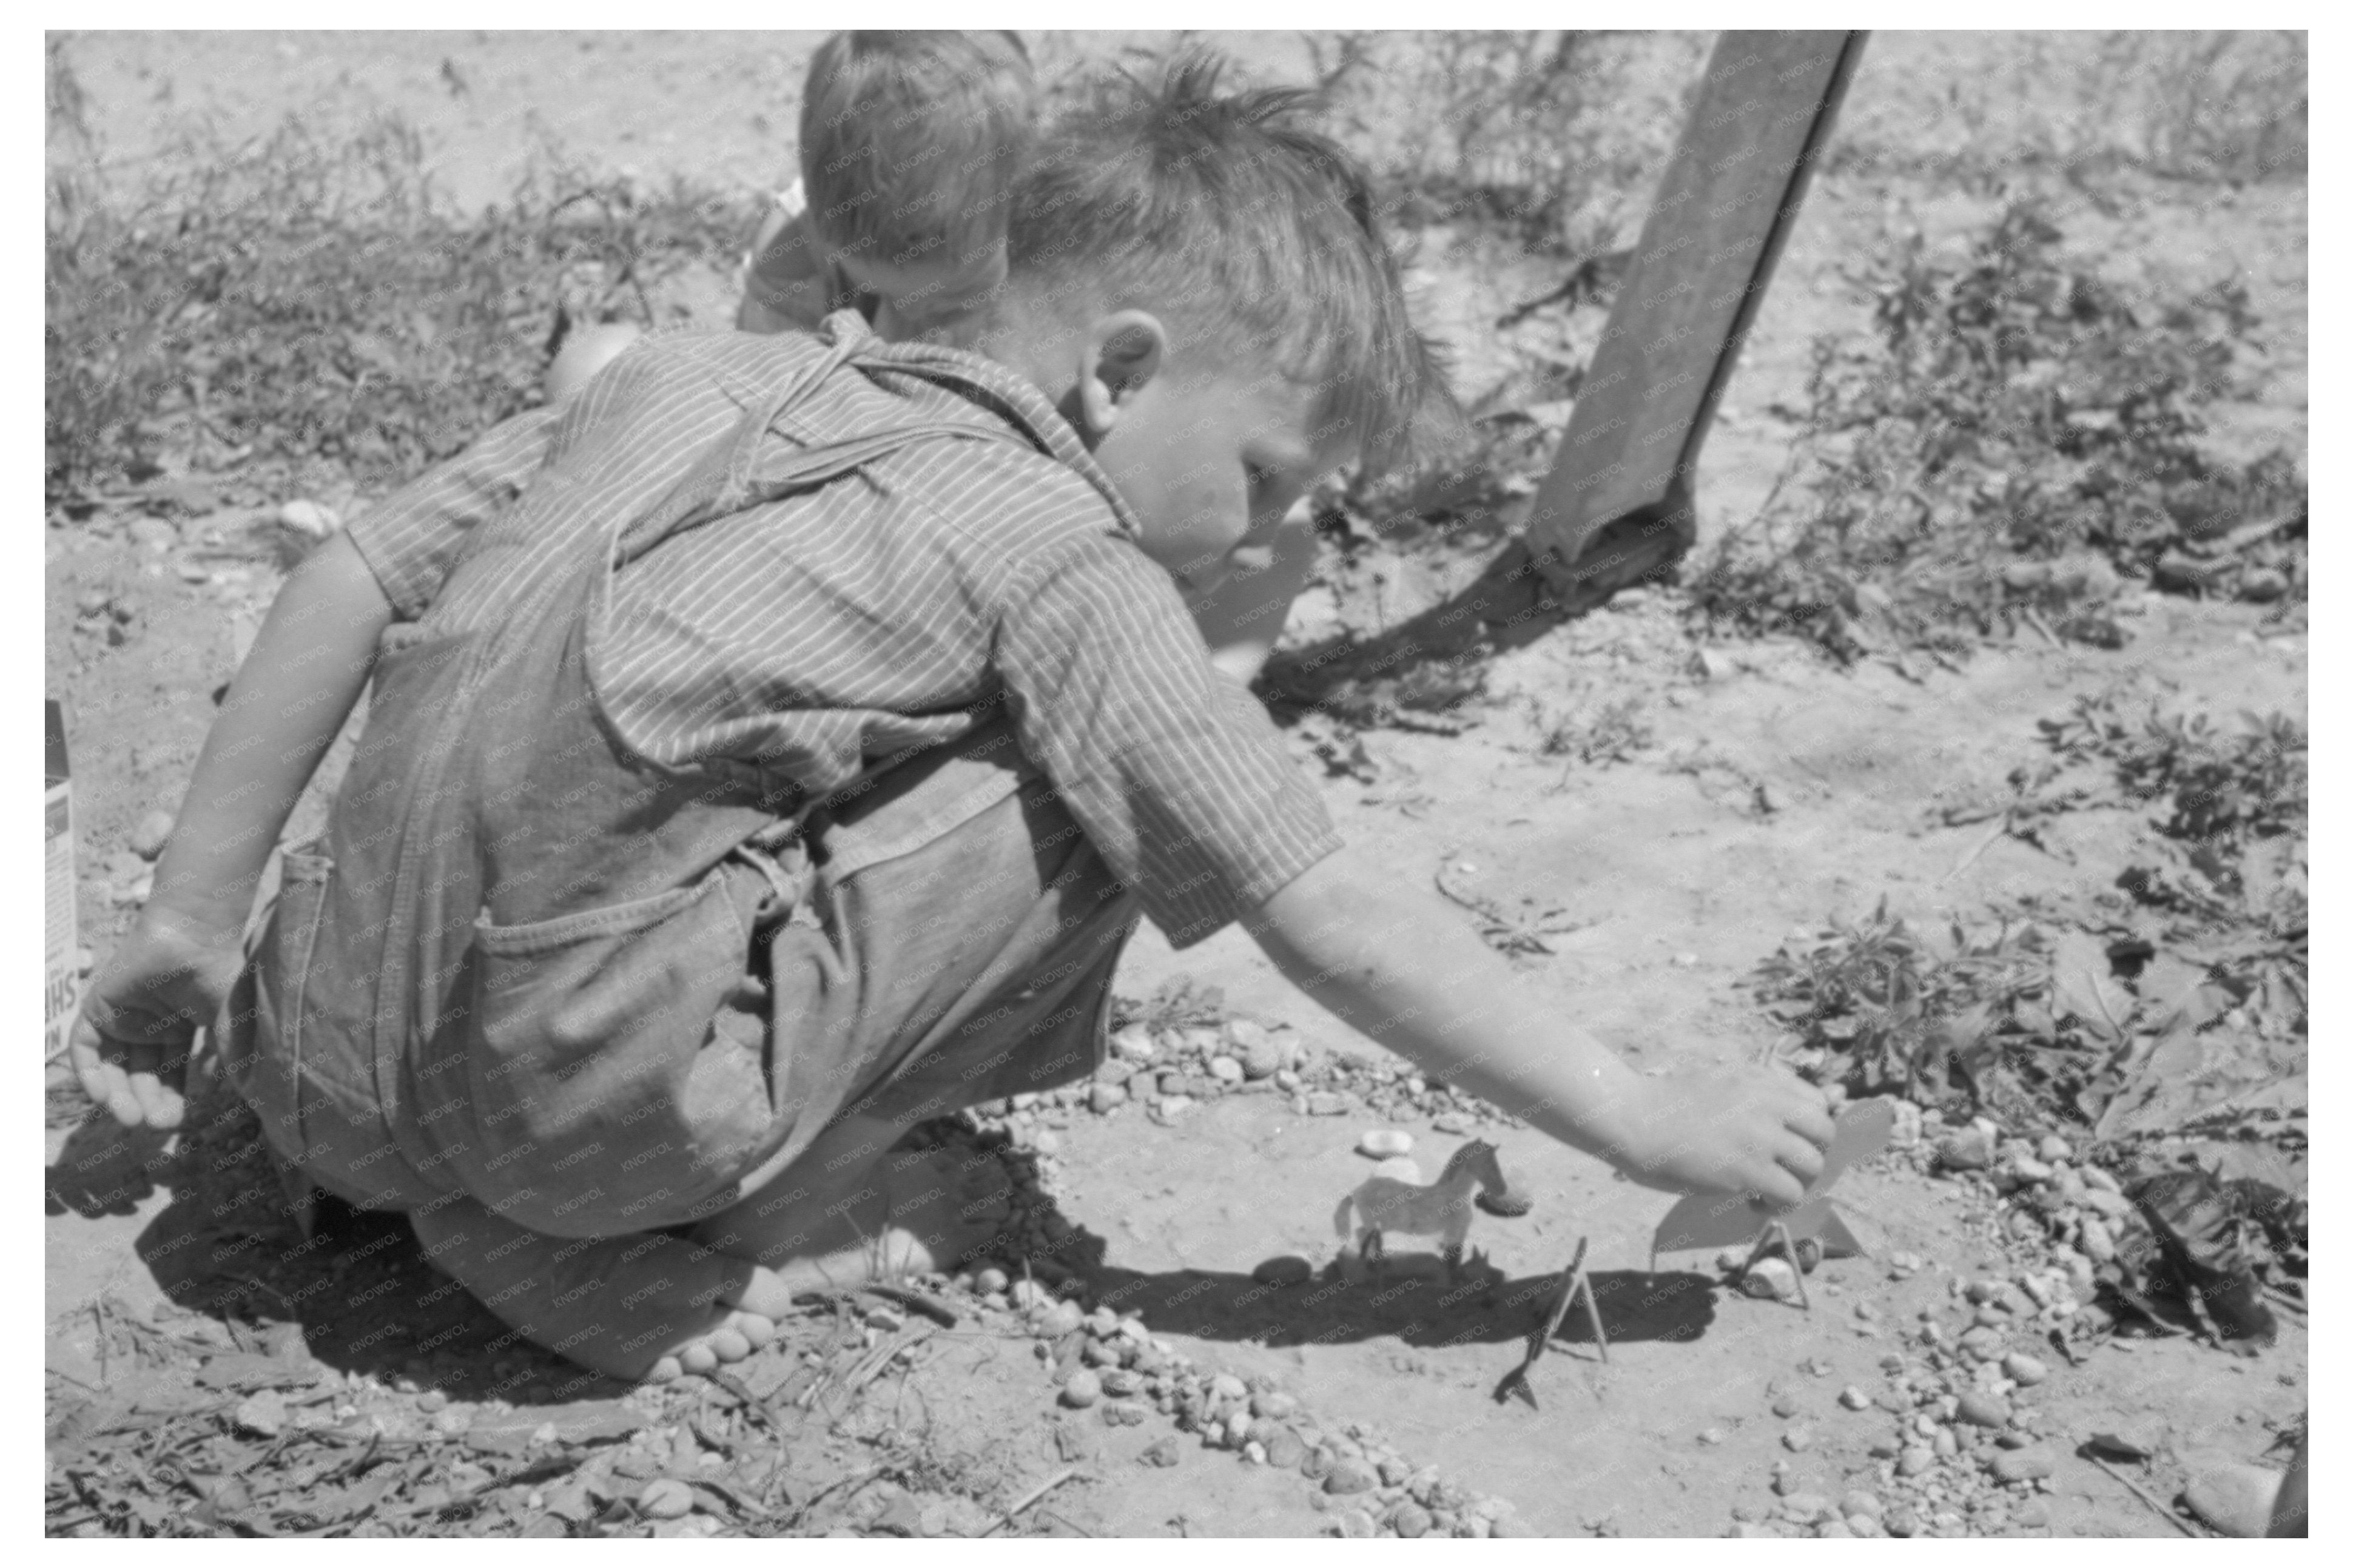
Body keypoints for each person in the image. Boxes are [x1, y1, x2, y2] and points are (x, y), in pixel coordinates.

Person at [72, 55, 1833, 1385]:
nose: (1283, 536)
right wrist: (1643, 1118)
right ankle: (677, 1216)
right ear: (1121, 373)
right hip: (564, 1141)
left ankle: (440, 1158)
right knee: (1132, 783)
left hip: (300, 1056)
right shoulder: (1053, 548)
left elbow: (350, 580)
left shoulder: (686, 372)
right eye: (1275, 479)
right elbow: (1326, 908)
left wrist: (191, 921)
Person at [545, 30, 1034, 402]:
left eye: (949, 298)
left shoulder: (1038, 232)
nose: (910, 313)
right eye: (884, 292)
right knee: (593, 367)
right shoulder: (794, 252)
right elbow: (771, 399)